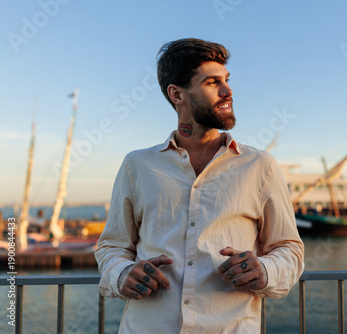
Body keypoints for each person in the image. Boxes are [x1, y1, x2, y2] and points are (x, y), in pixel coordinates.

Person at [95, 38, 304, 333]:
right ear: (177, 94)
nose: (228, 90)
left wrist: (266, 269)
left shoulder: (261, 166)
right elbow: (112, 246)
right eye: (212, 82)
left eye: (227, 80)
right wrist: (122, 273)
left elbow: (289, 248)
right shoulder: (137, 166)